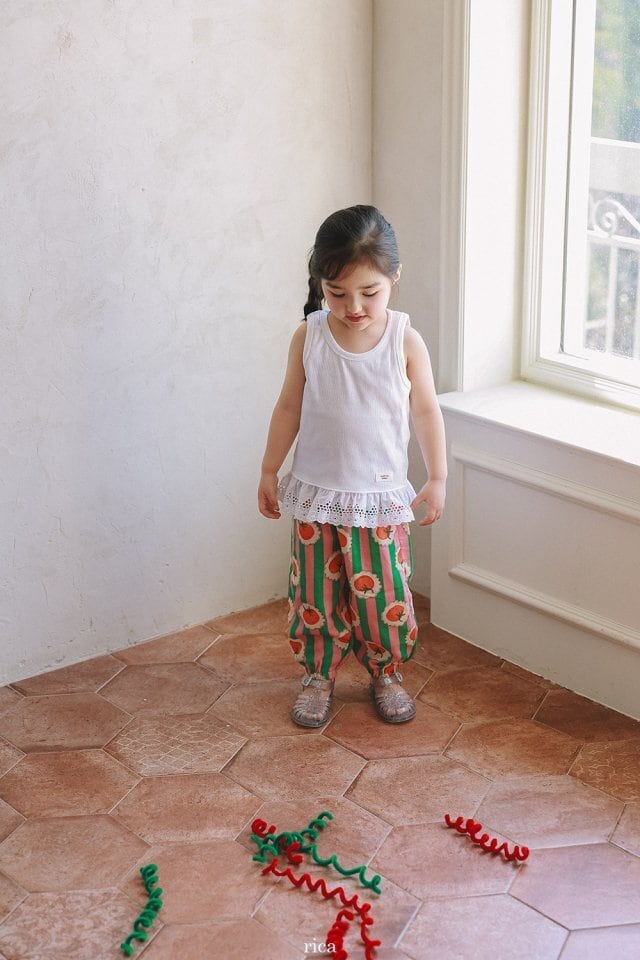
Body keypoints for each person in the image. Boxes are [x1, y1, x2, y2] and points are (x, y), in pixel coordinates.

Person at [258, 205, 447, 728]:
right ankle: (318, 674)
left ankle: (386, 671)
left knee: (384, 592)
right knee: (314, 595)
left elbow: (426, 411)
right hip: (317, 495)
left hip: (378, 498)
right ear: (320, 282)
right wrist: (270, 469)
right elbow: (288, 407)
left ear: (394, 277)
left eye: (369, 292)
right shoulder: (309, 336)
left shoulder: (404, 340)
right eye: (337, 293)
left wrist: (437, 477)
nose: (354, 307)